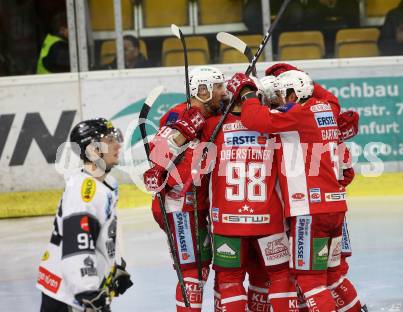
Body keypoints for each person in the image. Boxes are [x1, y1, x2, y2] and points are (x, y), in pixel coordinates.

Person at [232, 68, 355, 310]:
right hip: (335, 208)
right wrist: (289, 70)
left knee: (310, 280)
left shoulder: (297, 115)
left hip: (309, 211)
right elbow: (326, 94)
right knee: (333, 277)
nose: (278, 99)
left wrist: (248, 95)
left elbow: (255, 120)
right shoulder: (327, 107)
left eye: (281, 93)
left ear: (293, 94)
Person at [201, 74, 297, 312]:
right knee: (280, 274)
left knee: (230, 279)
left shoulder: (213, 126)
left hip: (227, 221)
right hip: (268, 219)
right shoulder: (270, 124)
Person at [143, 66, 227, 311]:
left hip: (199, 205)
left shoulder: (214, 116)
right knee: (192, 272)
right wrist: (182, 133)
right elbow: (157, 155)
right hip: (179, 204)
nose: (223, 92)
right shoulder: (178, 113)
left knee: (200, 269)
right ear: (202, 91)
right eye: (218, 87)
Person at [37, 118, 133, 311]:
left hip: (81, 287)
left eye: (115, 137)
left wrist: (116, 267)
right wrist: (86, 291)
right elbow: (77, 241)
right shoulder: (85, 191)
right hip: (68, 295)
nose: (117, 144)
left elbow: (104, 234)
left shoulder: (106, 184)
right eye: (109, 140)